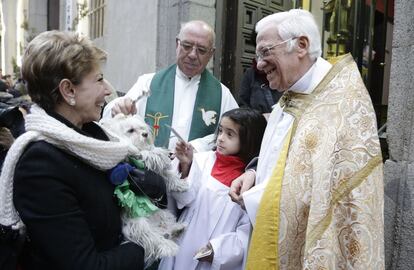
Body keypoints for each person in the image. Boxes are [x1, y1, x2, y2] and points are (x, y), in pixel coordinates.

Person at [229, 9, 384, 269]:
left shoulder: (341, 105)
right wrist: (255, 172)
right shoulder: (290, 97)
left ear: (301, 46)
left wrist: (255, 199)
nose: (258, 64)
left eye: (266, 52)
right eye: (258, 54)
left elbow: (321, 194)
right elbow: (288, 161)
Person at [0, 30, 161, 269]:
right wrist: (150, 243)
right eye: (98, 79)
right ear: (69, 91)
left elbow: (142, 190)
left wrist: (153, 185)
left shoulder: (94, 138)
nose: (108, 90)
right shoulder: (40, 165)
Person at [103, 20, 238, 151]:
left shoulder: (222, 94)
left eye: (201, 50)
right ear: (177, 44)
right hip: (150, 169)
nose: (192, 55)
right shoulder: (148, 83)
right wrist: (118, 108)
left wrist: (198, 147)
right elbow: (113, 119)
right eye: (186, 46)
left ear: (211, 54)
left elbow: (236, 134)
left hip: (195, 171)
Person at [159, 108, 267, 270]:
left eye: (230, 134)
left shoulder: (249, 184)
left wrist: (218, 250)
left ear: (249, 140)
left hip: (211, 259)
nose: (221, 139)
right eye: (221, 131)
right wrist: (186, 165)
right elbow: (185, 199)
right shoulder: (203, 161)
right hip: (183, 245)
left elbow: (246, 232)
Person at [239, 30, 282, 116]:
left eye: (267, 51)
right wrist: (260, 118)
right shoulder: (250, 74)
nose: (260, 64)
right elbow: (243, 107)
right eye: (259, 53)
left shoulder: (287, 73)